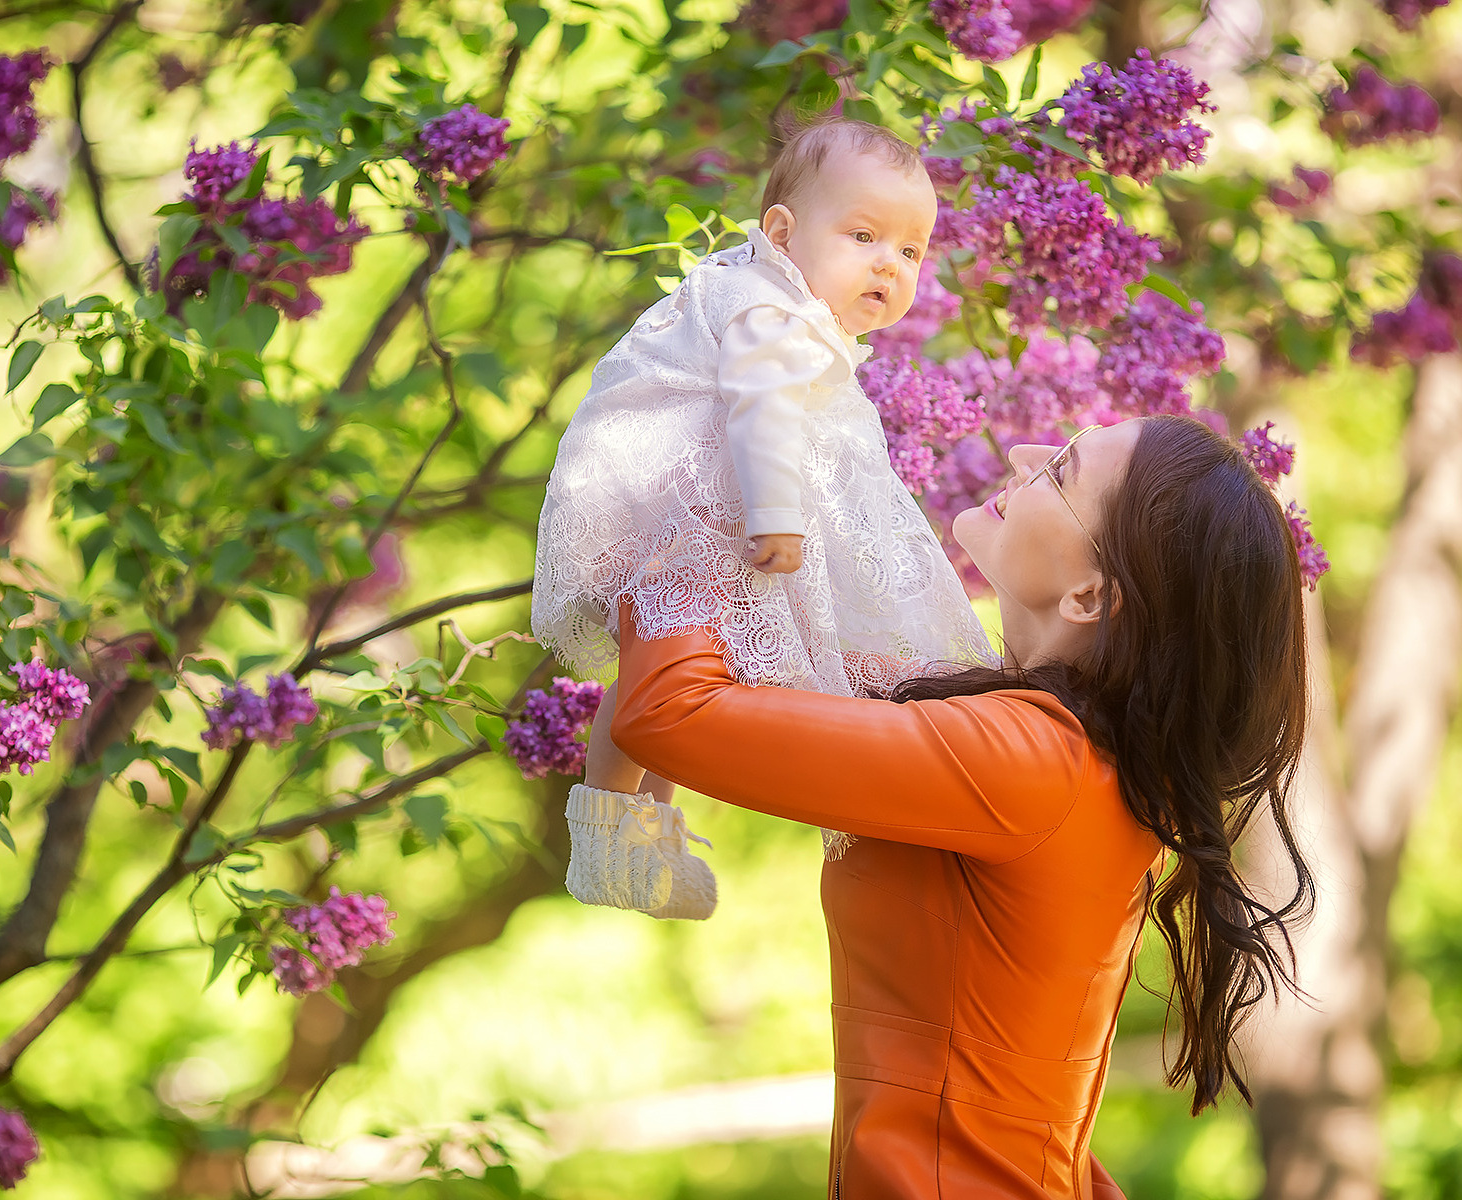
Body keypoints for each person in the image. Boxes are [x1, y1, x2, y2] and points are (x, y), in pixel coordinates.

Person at [611, 414, 1316, 1198]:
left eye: (1063, 470)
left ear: (1089, 594)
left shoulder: (1029, 760)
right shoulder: (1068, 756)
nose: (1023, 454)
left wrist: (686, 513)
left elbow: (667, 714)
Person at [532, 118, 994, 921]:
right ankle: (605, 830)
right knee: (652, 677)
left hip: (708, 520)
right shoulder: (763, 308)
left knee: (696, 676)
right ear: (782, 233)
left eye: (910, 250)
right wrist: (776, 516)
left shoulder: (796, 316)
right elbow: (759, 411)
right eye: (862, 235)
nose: (889, 262)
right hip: (683, 517)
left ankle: (653, 830)